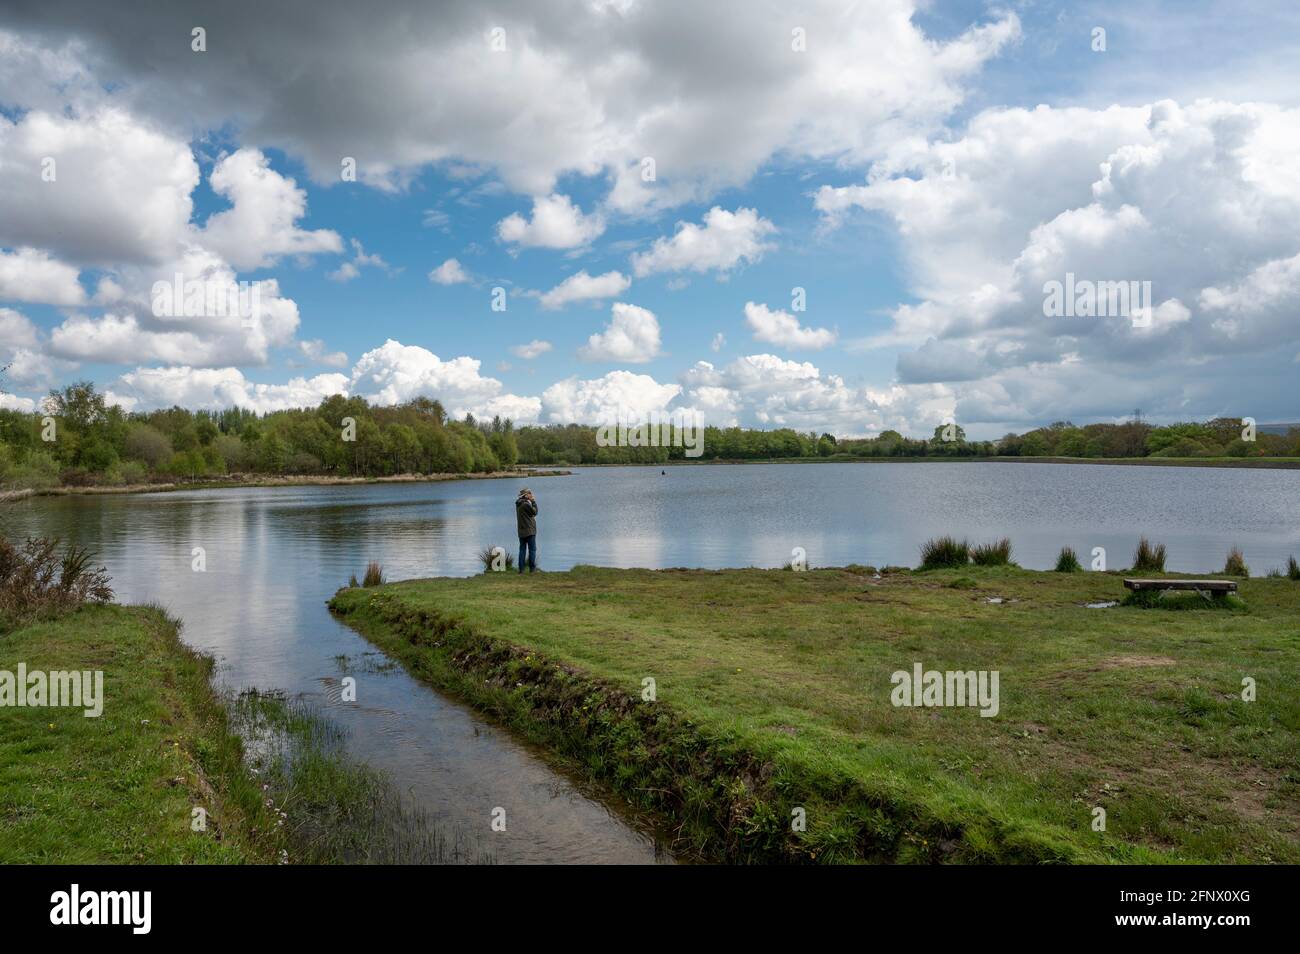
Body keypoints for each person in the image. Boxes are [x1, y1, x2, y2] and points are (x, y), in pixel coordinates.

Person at [515, 487, 538, 573]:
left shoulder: (518, 503)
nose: (531, 495)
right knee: (532, 550)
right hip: (530, 531)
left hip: (521, 531)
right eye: (529, 493)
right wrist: (533, 501)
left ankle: (521, 570)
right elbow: (535, 512)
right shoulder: (526, 504)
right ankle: (532, 569)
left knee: (522, 550)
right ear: (526, 495)